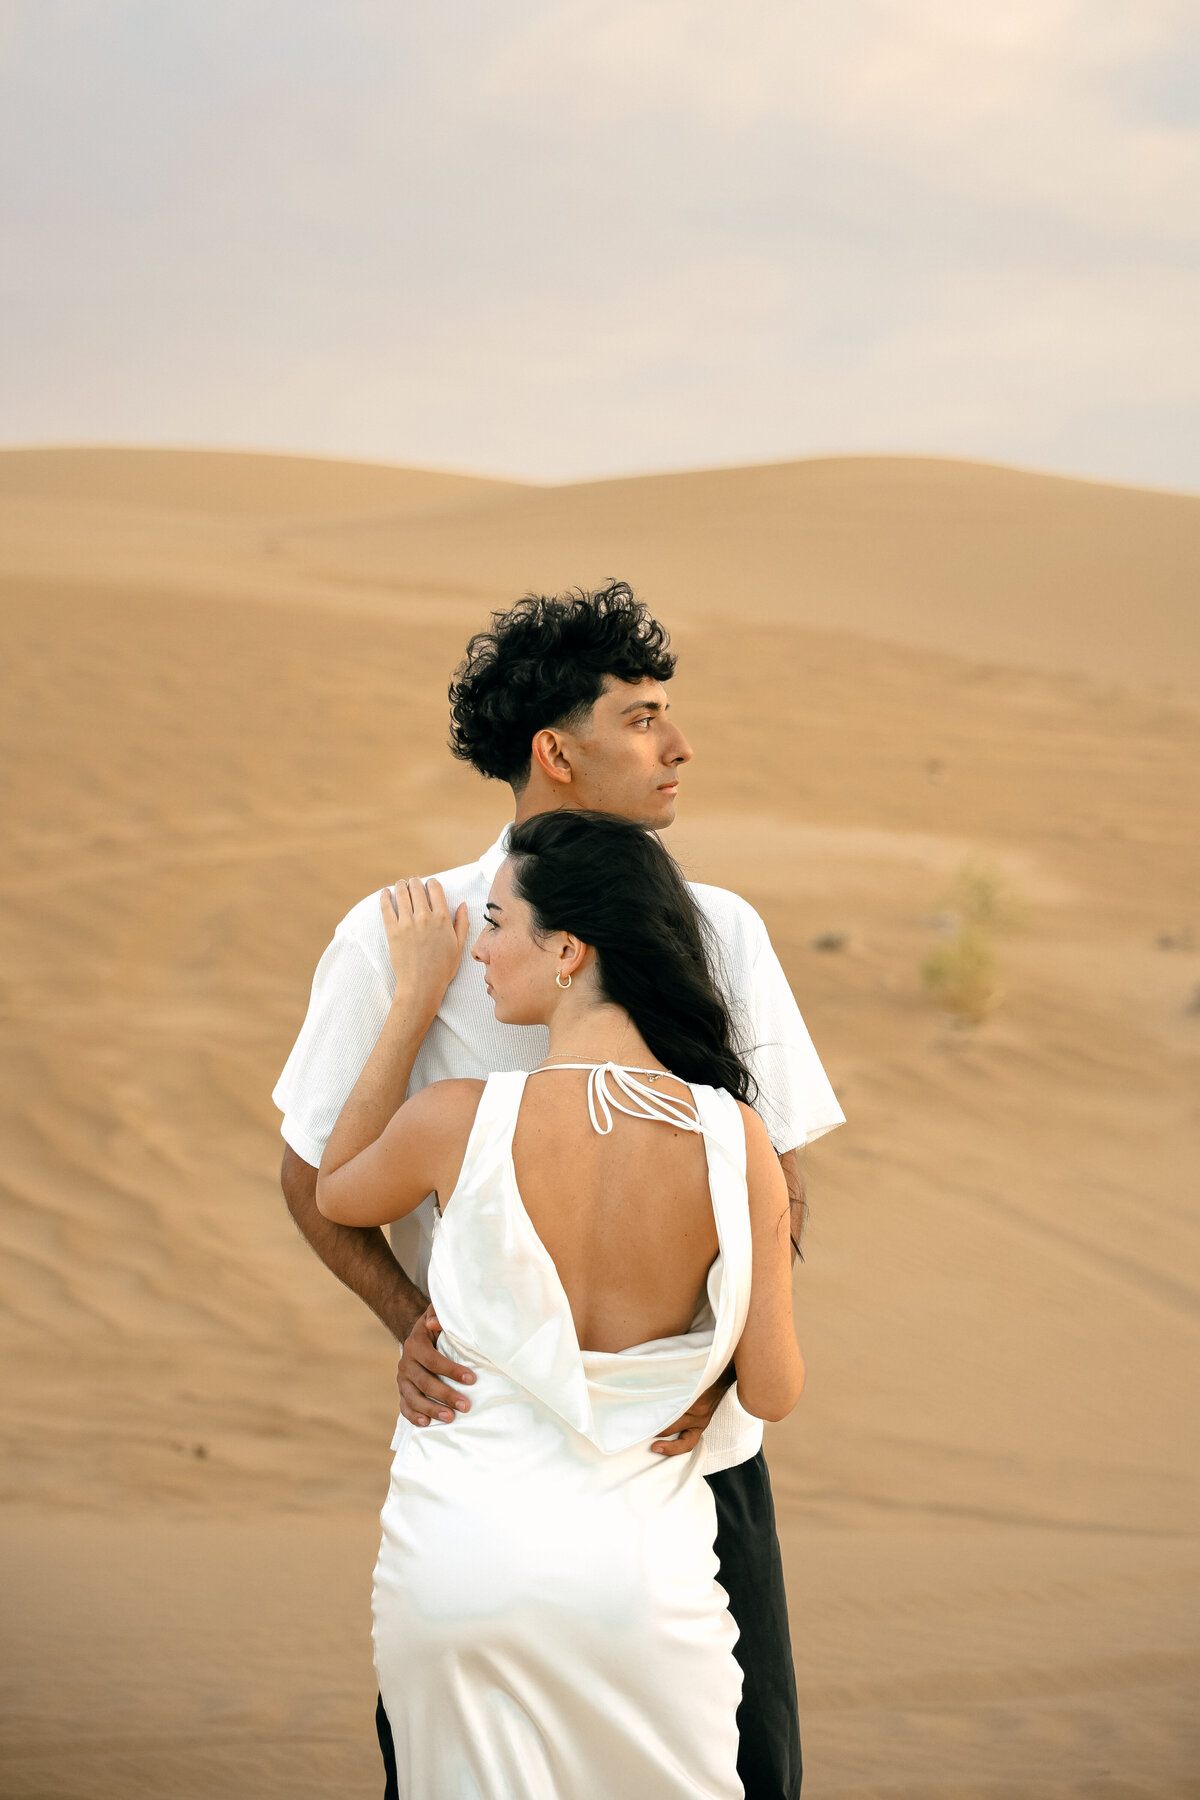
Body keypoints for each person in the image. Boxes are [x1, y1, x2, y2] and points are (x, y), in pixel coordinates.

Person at [273, 582, 844, 1798]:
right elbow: (312, 1173)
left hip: (696, 1465)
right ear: (558, 753)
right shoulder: (401, 935)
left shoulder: (723, 927)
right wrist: (403, 1324)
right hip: (486, 1449)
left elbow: (774, 1172)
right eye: (643, 719)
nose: (678, 746)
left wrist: (725, 1357)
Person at [315, 812, 807, 1799]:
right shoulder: (733, 1137)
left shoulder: (458, 1119)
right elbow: (776, 1387)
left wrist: (411, 1003)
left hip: (458, 1561)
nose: (480, 949)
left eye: (497, 923)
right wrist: (699, 1376)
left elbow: (335, 1192)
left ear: (569, 948)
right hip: (638, 1584)